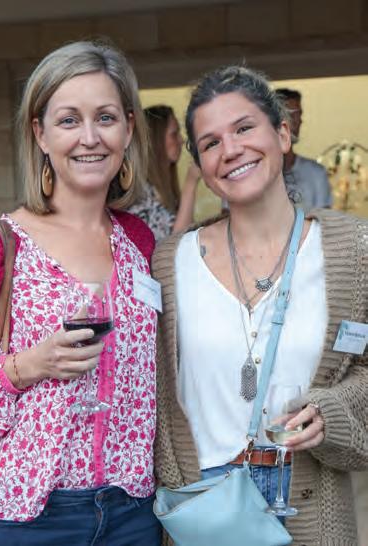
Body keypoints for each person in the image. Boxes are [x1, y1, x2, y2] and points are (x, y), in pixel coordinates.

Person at [0, 41, 162, 546]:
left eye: (105, 117)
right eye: (68, 120)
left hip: (133, 511)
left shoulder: (140, 242)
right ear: (40, 133)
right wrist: (26, 366)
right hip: (30, 517)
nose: (90, 137)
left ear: (128, 128)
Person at [152, 66, 367, 545]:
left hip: (311, 506)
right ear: (201, 166)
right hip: (203, 512)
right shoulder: (169, 264)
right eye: (210, 143)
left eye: (244, 128)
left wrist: (330, 411)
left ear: (283, 134)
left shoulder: (354, 251)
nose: (230, 150)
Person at [128, 104, 200, 240]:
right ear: (156, 140)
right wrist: (191, 181)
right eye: (174, 134)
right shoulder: (140, 195)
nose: (181, 140)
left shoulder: (163, 188)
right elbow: (174, 244)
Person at [275, 87, 333, 211]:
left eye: (299, 114)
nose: (298, 121)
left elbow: (325, 219)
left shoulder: (316, 173)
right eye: (291, 115)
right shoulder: (255, 173)